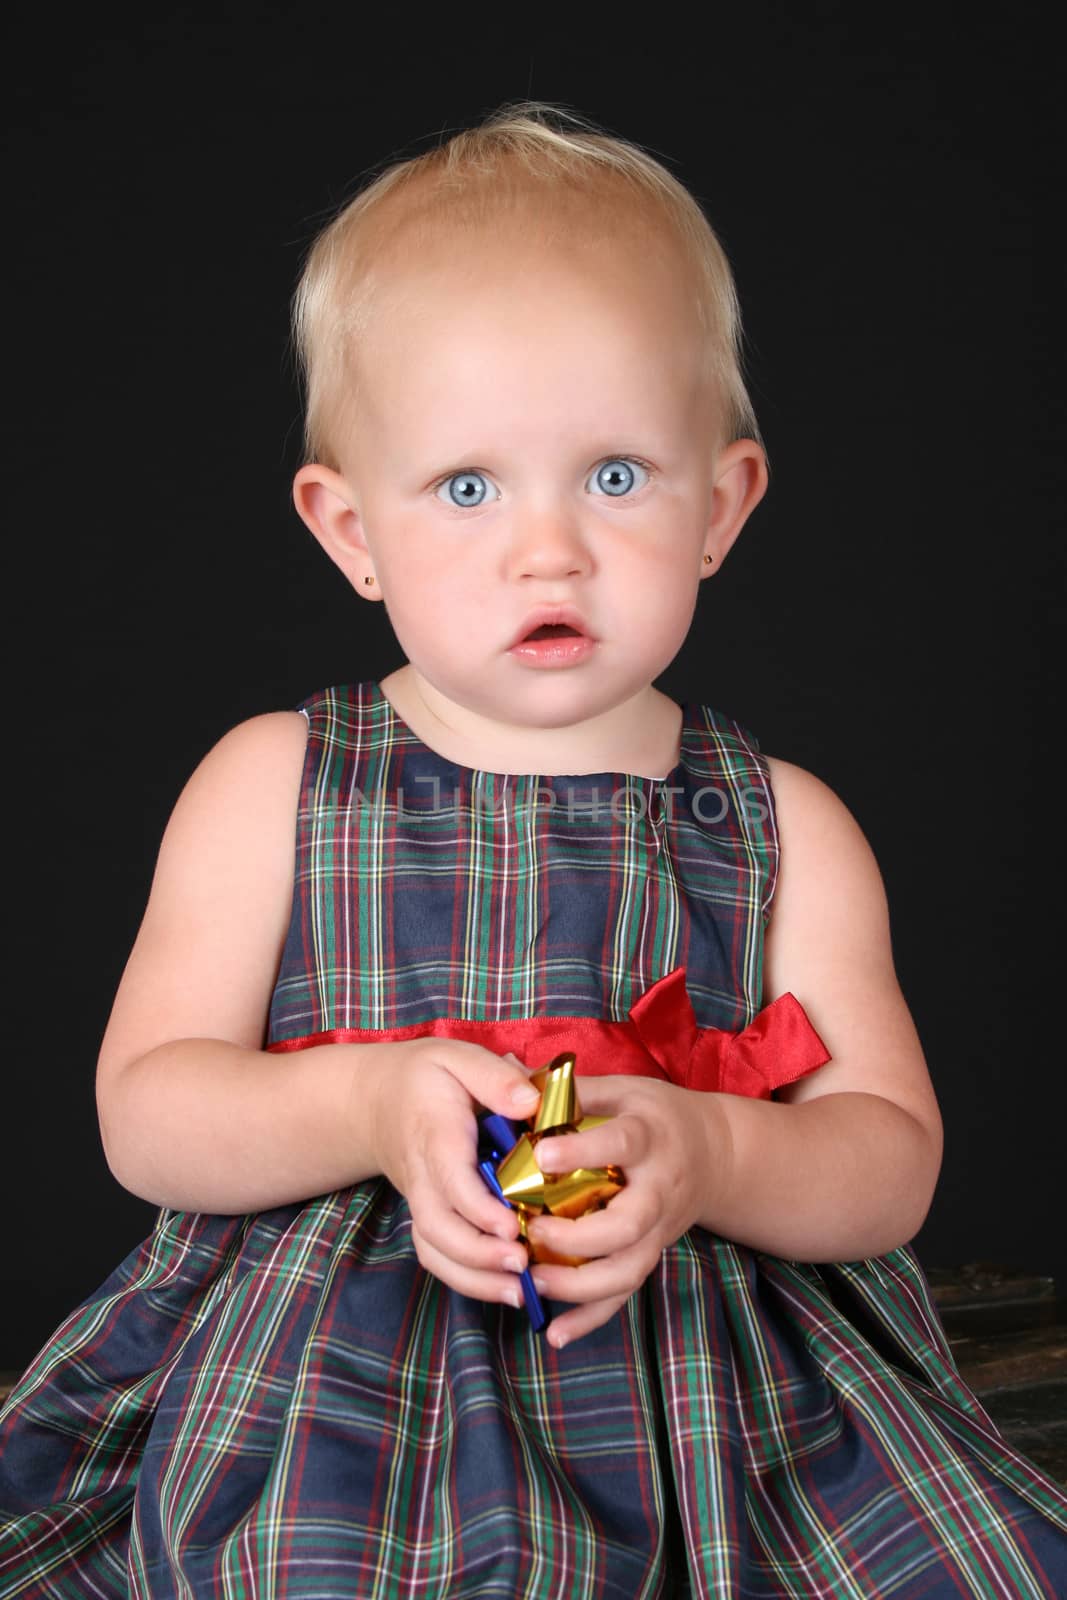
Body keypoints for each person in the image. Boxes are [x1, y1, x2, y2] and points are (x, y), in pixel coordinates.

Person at [1, 100, 1064, 1599]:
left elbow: (885, 1165)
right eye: (469, 487)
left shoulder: (784, 825)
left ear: (723, 503)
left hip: (715, 1398)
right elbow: (150, 1114)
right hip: (333, 1398)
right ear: (350, 528)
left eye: (617, 476)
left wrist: (711, 1149)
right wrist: (371, 1101)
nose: (548, 549)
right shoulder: (276, 784)